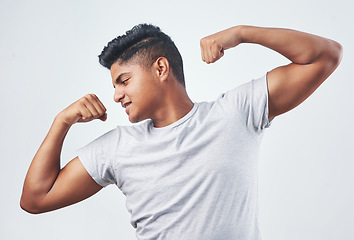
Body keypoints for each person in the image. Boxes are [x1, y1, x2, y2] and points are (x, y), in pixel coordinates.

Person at [20, 24, 342, 239]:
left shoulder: (235, 113)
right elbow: (35, 198)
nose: (116, 95)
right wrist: (61, 122)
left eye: (124, 80)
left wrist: (241, 33)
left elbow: (325, 56)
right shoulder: (117, 147)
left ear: (161, 69)